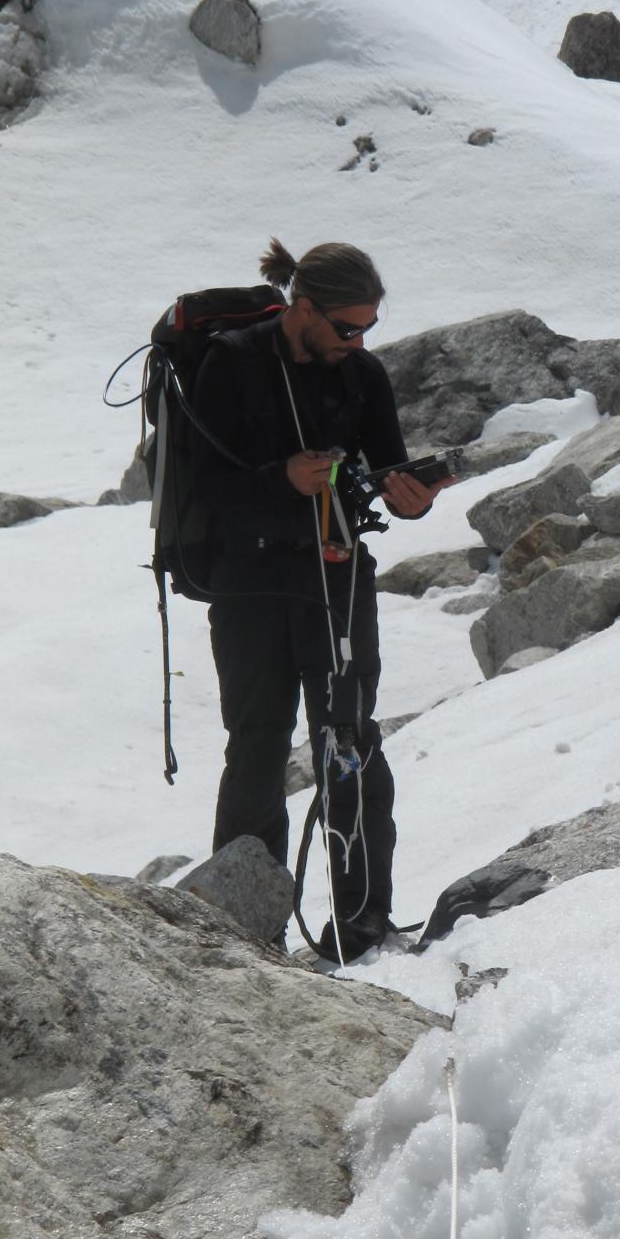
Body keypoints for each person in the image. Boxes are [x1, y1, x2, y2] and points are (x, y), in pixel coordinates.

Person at [191, 238, 447, 962]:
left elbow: (387, 472)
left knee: (350, 739)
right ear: (302, 309)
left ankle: (362, 923)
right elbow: (205, 486)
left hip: (337, 576)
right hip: (250, 584)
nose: (358, 341)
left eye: (367, 327)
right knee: (259, 747)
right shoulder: (233, 362)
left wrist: (414, 498)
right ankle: (247, 931)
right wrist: (284, 480)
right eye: (345, 326)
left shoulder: (361, 375)